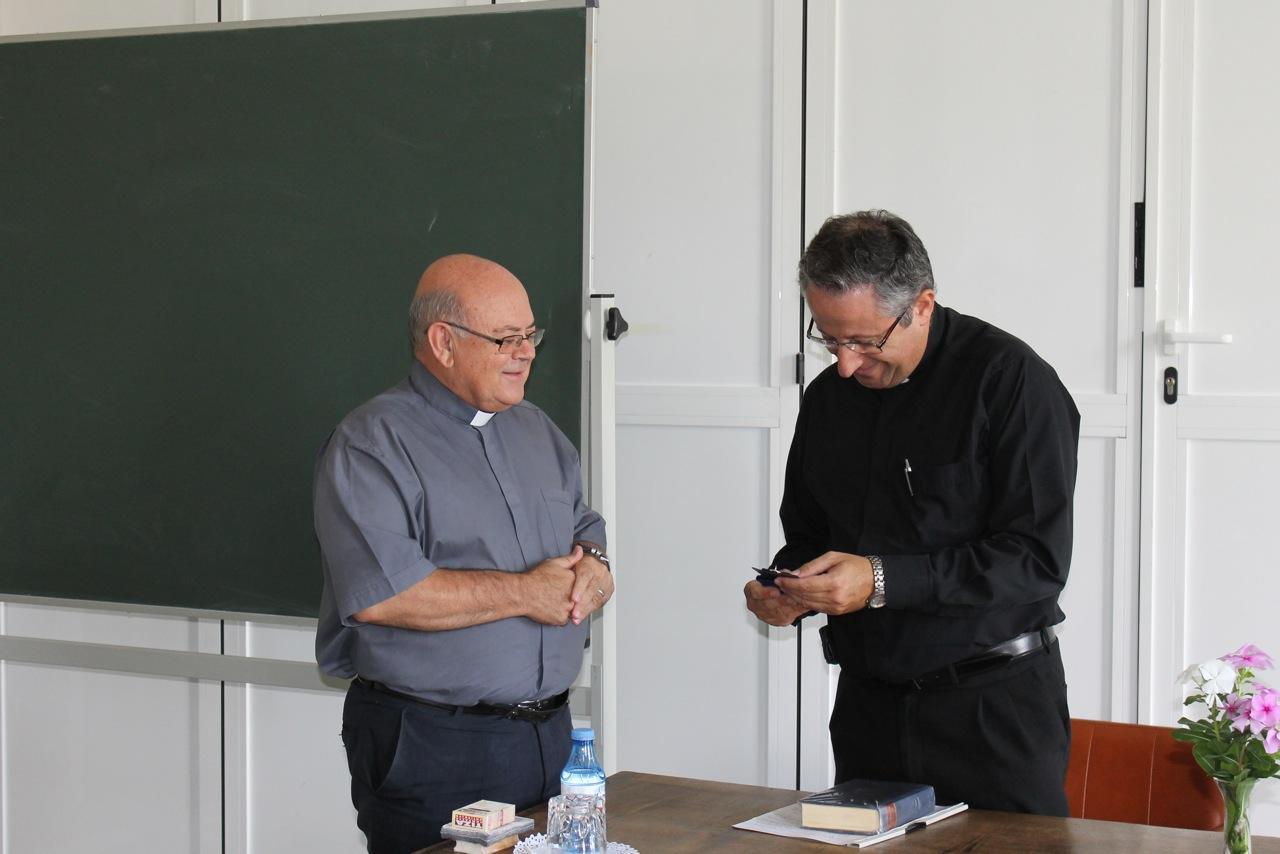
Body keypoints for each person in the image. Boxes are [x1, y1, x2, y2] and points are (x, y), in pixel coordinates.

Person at [744, 210, 1079, 815]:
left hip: (992, 710)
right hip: (869, 709)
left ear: (922, 306)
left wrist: (877, 580)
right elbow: (811, 534)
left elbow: (1035, 560)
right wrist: (791, 587)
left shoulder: (1010, 382)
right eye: (829, 338)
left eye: (865, 341)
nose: (845, 364)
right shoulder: (828, 401)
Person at [314, 254, 612, 854]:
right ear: (443, 342)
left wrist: (595, 571)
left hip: (548, 740)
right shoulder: (372, 444)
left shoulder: (539, 431)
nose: (526, 352)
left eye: (531, 335)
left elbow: (586, 530)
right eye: (506, 338)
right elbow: (386, 595)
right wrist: (529, 591)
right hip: (431, 745)